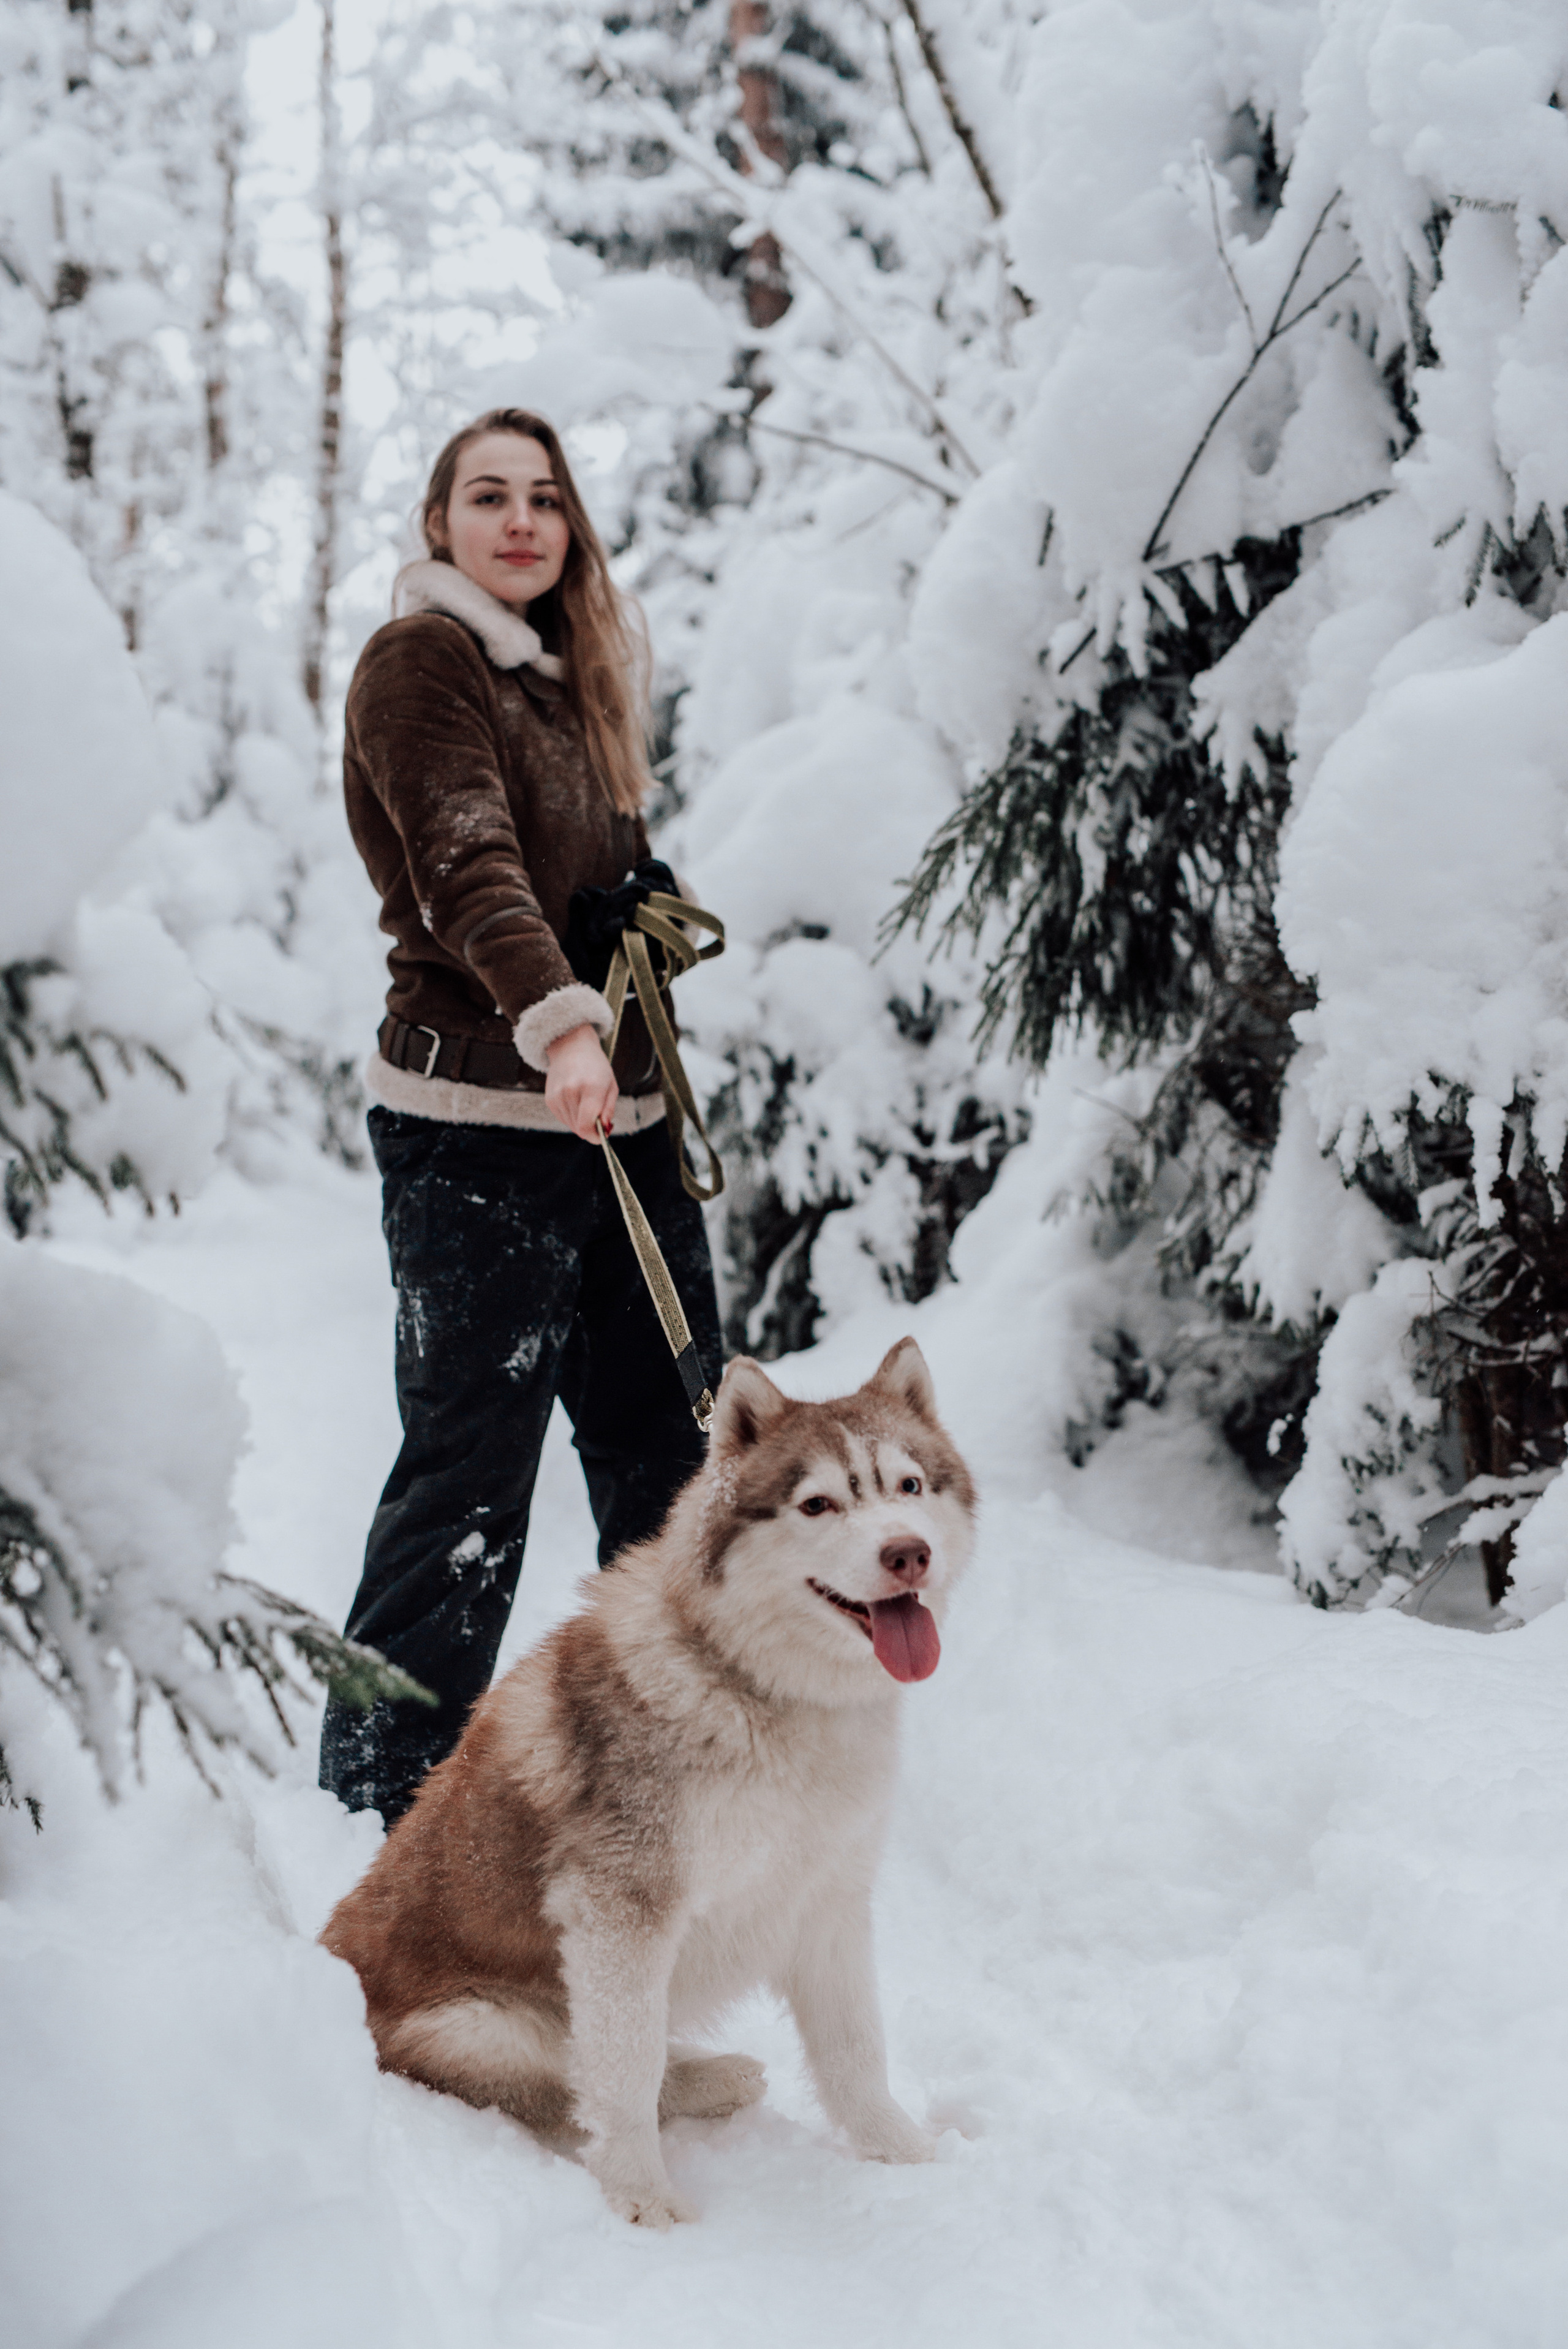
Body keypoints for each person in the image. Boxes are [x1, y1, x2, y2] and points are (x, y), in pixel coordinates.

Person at [318, 407, 723, 1826]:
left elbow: (570, 881)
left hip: (618, 1128)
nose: (520, 521)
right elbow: (462, 861)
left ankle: (673, 1768)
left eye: (544, 497)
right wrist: (558, 1022)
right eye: (487, 496)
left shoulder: (569, 679)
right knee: (468, 1478)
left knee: (674, 1458)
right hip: (481, 1126)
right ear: (439, 524)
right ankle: (382, 1801)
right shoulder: (422, 660)